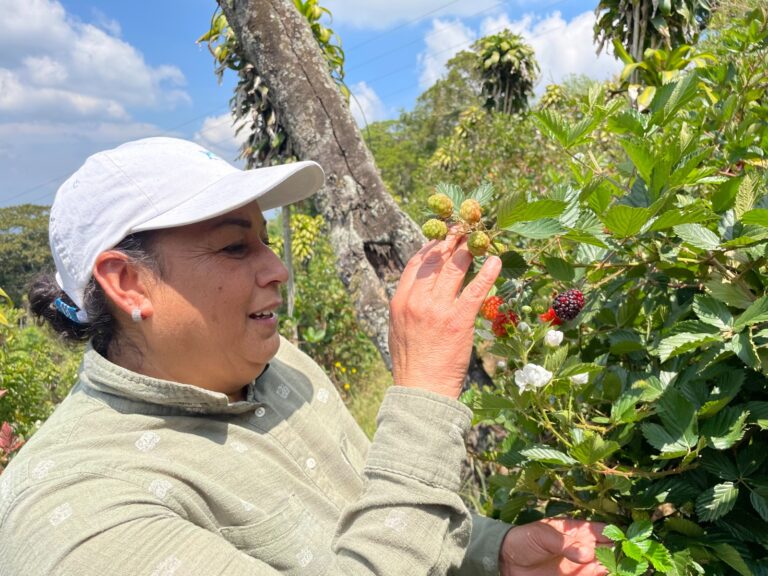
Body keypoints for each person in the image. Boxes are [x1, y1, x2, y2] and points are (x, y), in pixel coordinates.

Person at [0, 137, 609, 575]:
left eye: (265, 240)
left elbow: (374, 520)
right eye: (236, 248)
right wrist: (423, 389)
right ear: (129, 282)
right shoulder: (79, 513)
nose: (278, 269)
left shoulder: (278, 362)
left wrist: (492, 553)